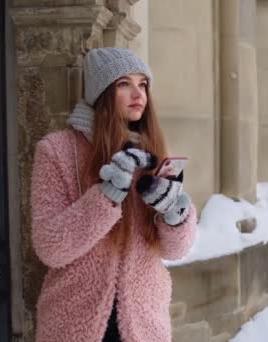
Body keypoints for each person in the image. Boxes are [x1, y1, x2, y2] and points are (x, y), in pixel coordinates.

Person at [30, 47, 197, 342]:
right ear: (102, 92)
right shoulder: (56, 151)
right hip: (73, 323)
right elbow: (49, 247)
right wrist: (106, 197)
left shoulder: (154, 152)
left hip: (144, 323)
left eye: (142, 84)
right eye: (124, 84)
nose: (139, 94)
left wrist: (175, 212)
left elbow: (176, 250)